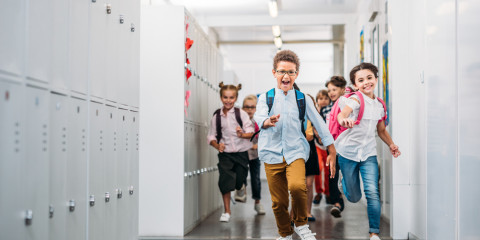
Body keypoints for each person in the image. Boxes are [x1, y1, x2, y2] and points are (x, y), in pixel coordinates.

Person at [254, 50, 337, 240]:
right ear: (274, 73)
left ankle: (301, 224)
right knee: (278, 201)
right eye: (282, 71)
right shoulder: (265, 98)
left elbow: (320, 124)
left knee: (299, 187)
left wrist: (331, 149)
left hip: (296, 152)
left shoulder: (303, 99)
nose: (286, 76)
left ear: (296, 74)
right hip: (271, 153)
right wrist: (266, 121)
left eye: (291, 72)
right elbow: (259, 117)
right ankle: (285, 233)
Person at [334, 62, 401, 240]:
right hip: (348, 152)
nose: (366, 82)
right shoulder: (355, 99)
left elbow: (381, 131)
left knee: (372, 192)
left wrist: (391, 144)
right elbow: (342, 114)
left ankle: (374, 233)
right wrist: (343, 120)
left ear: (376, 79)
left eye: (369, 78)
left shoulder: (379, 105)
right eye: (361, 80)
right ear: (355, 85)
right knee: (355, 197)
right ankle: (344, 184)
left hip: (369, 153)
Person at [207, 82, 255, 223]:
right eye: (225, 97)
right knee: (225, 180)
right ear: (221, 97)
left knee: (239, 179)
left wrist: (242, 134)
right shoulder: (217, 116)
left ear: (236, 98)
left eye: (231, 98)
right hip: (225, 153)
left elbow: (251, 132)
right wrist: (217, 145)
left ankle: (241, 187)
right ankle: (227, 211)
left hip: (241, 153)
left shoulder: (242, 114)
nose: (228, 100)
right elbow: (211, 136)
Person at [324, 76, 348, 218]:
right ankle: (337, 203)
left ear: (342, 90)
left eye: (334, 89)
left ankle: (342, 199)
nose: (331, 92)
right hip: (332, 148)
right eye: (329, 90)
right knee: (332, 175)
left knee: (344, 177)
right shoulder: (326, 109)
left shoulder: (348, 106)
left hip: (346, 148)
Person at [242, 94, 266, 215]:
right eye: (247, 107)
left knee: (255, 179)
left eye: (252, 107)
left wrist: (258, 145)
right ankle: (242, 192)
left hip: (254, 154)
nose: (249, 109)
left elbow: (264, 136)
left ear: (256, 109)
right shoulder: (240, 120)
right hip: (242, 153)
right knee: (241, 175)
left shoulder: (259, 121)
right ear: (242, 108)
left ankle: (257, 202)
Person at [313, 90, 331, 205]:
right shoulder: (315, 112)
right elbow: (313, 125)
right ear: (317, 101)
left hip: (328, 146)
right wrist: (318, 134)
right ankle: (318, 192)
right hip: (318, 145)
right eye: (320, 99)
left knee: (328, 170)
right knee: (318, 169)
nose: (323, 101)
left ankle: (327, 193)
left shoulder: (330, 111)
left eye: (325, 98)